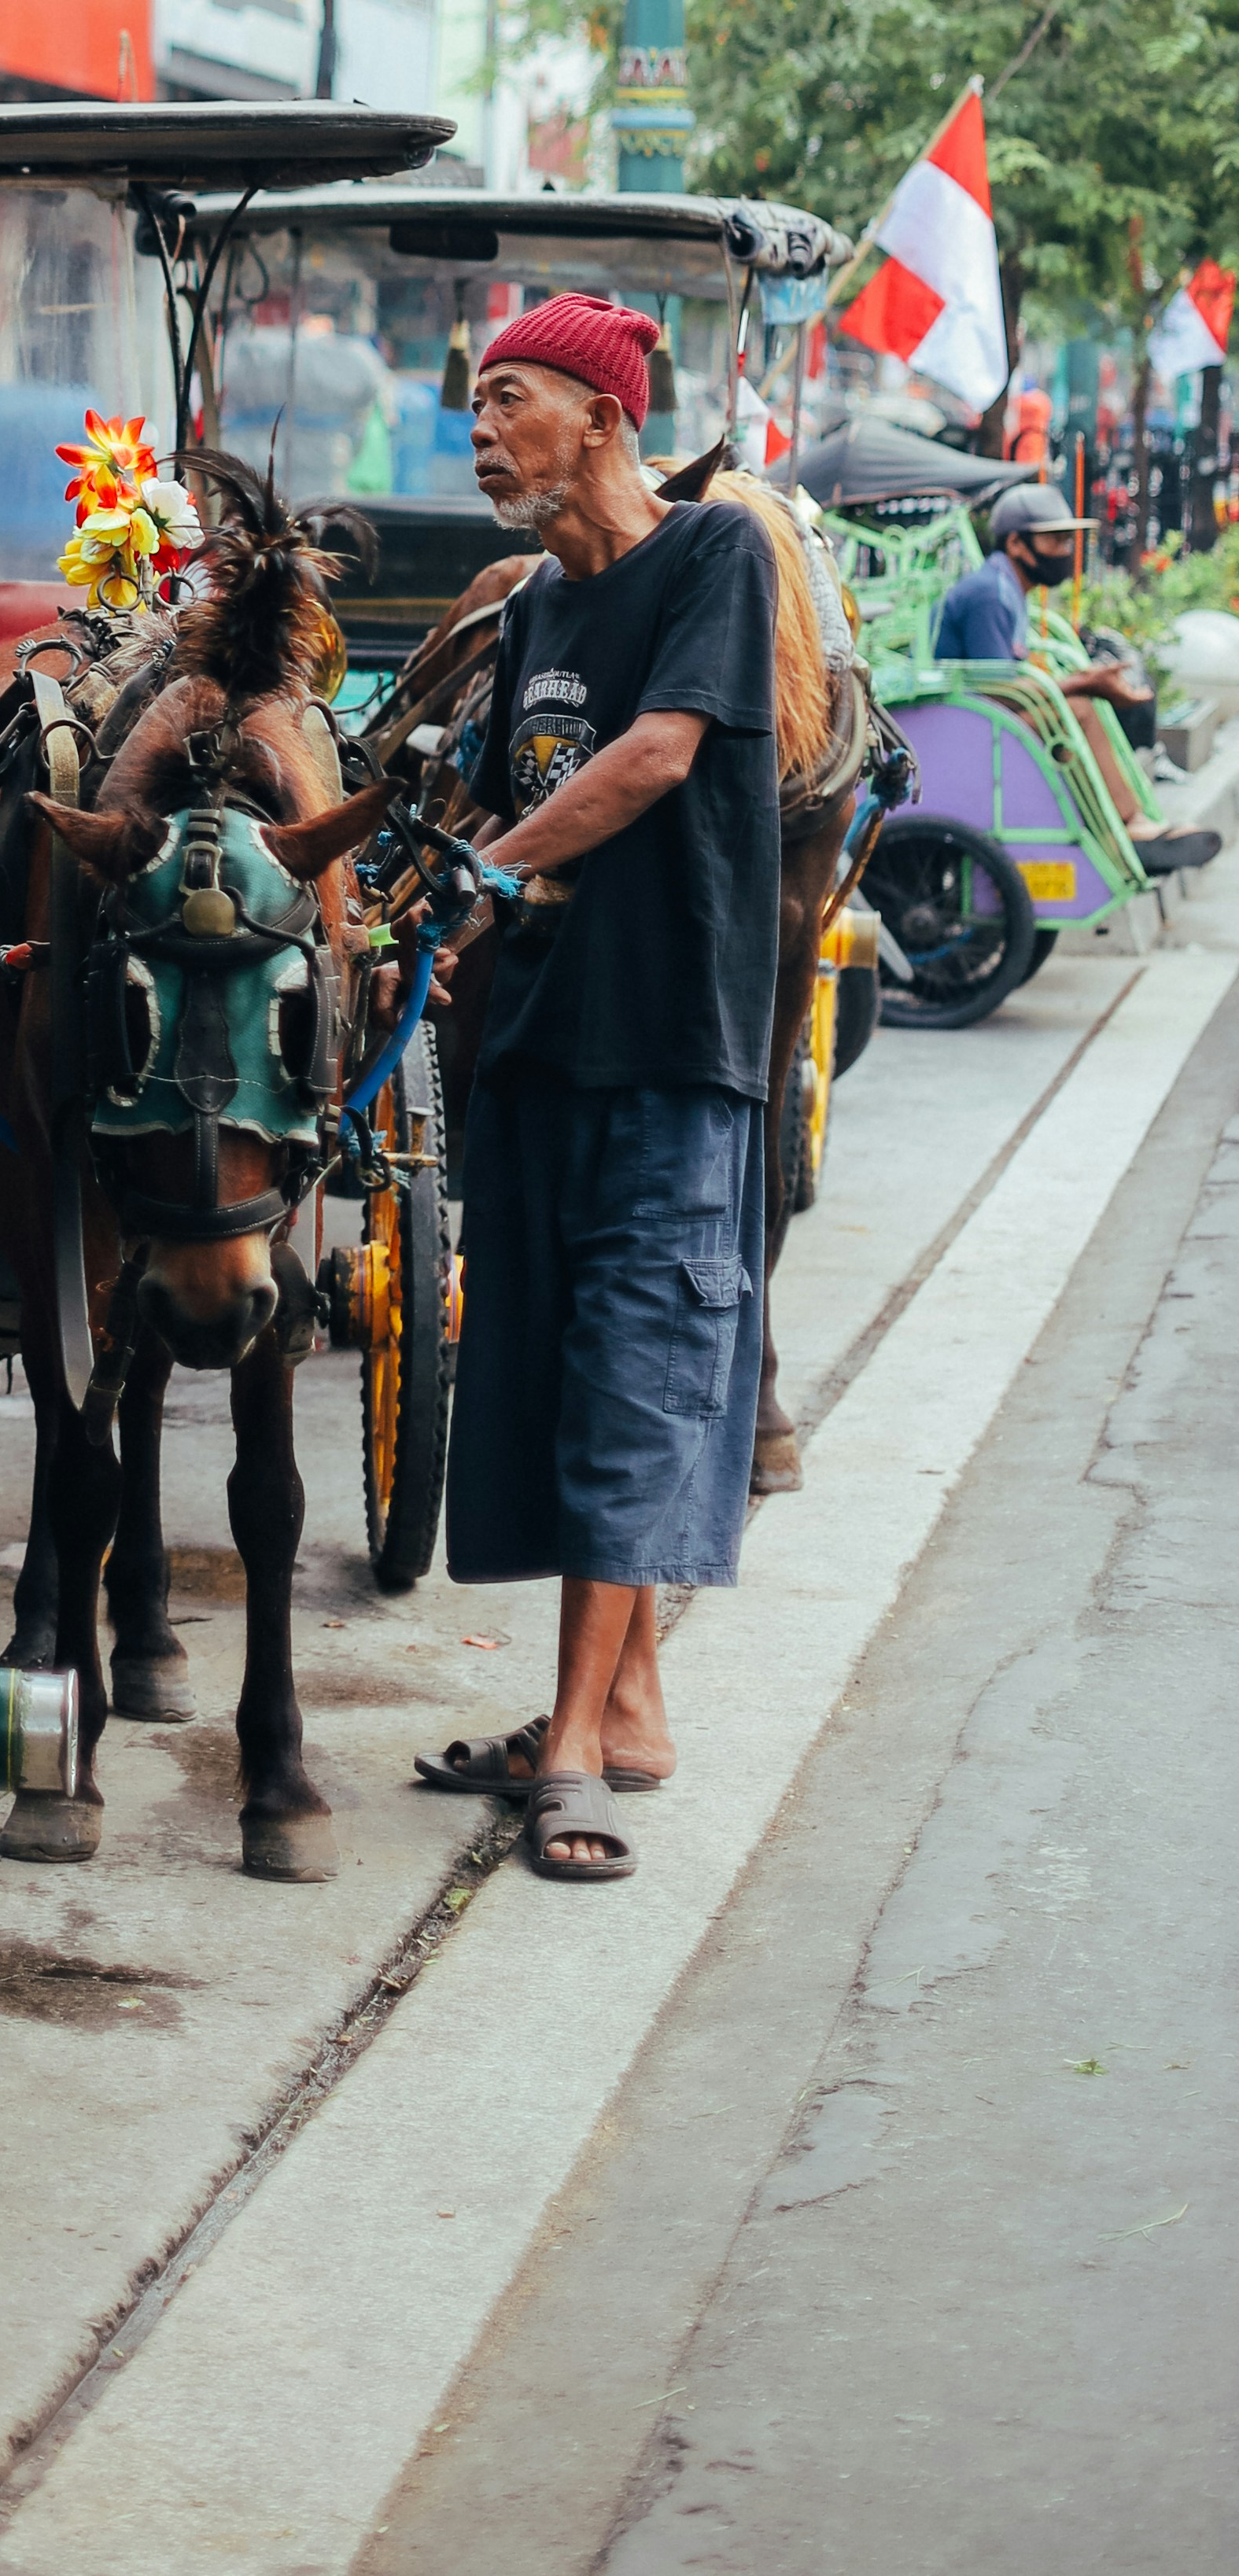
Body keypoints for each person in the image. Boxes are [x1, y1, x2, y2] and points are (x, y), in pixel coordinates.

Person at [418, 292, 780, 1882]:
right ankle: (625, 1714)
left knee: (636, 1382)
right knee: (554, 1383)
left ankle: (569, 1753)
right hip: (540, 1053)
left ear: (607, 417)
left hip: (670, 1047)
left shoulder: (711, 557)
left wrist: (485, 875)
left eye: (513, 398)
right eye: (477, 404)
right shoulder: (530, 617)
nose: (481, 430)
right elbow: (481, 800)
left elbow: (654, 757)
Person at [933, 485, 1219, 872]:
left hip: (975, 719)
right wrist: (1081, 683)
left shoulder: (1006, 587)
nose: (1065, 551)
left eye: (1068, 541)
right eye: (1055, 541)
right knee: (1076, 710)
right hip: (963, 729)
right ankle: (1124, 828)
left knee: (1078, 704)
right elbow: (997, 691)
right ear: (1016, 544)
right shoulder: (992, 593)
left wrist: (1081, 681)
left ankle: (1130, 822)